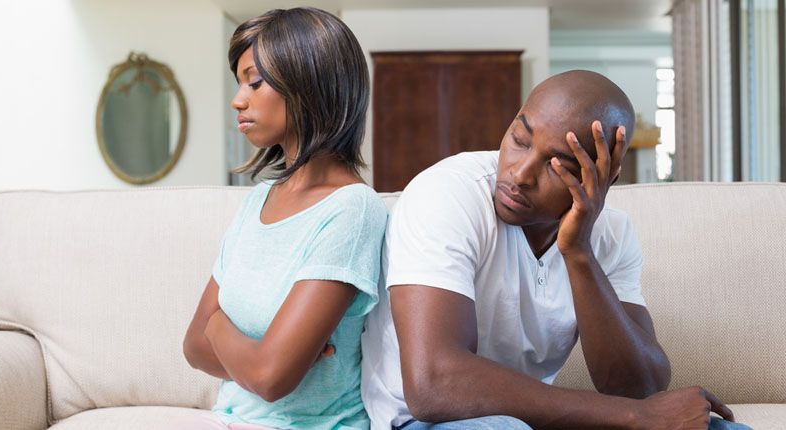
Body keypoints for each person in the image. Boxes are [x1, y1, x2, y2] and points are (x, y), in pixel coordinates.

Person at [361, 70, 751, 430]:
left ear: (606, 174)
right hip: (422, 423)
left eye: (557, 164)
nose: (519, 174)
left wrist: (579, 253)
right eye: (519, 140)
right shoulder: (446, 195)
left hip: (532, 421)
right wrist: (635, 416)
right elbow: (433, 385)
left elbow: (641, 388)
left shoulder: (612, 234)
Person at [177, 7, 386, 430]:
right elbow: (194, 346)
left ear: (308, 84)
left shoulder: (352, 210)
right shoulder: (257, 201)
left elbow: (270, 378)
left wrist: (219, 327)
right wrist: (250, 350)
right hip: (228, 422)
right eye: (239, 83)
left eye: (255, 81)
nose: (238, 100)